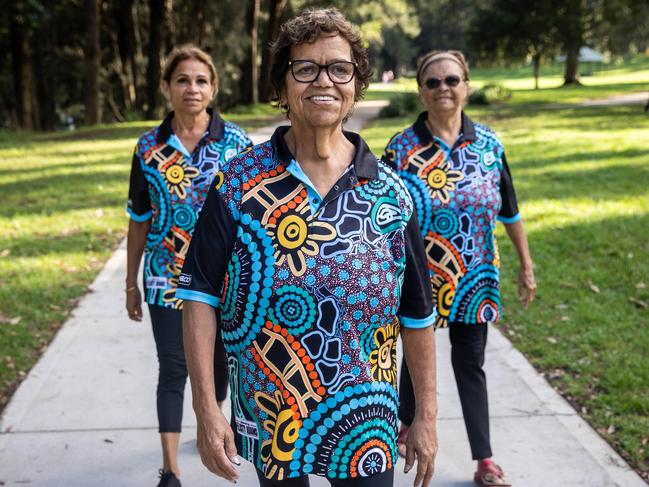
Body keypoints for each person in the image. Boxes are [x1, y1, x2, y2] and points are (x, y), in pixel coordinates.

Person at [177, 8, 439, 487]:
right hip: (274, 415)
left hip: (366, 424)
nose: (325, 81)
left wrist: (426, 415)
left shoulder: (394, 195)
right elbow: (199, 296)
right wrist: (206, 408)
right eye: (306, 69)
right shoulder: (236, 185)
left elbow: (418, 315)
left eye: (340, 69)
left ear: (357, 84)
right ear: (282, 85)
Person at [382, 50, 537, 487]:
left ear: (466, 85)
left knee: (471, 364)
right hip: (417, 278)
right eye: (433, 82)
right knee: (413, 362)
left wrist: (526, 265)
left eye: (452, 79)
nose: (443, 88)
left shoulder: (489, 145)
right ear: (421, 91)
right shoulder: (400, 147)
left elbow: (509, 211)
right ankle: (406, 425)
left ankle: (485, 460)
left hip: (474, 278)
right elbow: (380, 215)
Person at [125, 45, 252, 487]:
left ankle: (211, 418)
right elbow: (139, 219)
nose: (192, 88)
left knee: (218, 370)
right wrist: (130, 284)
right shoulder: (147, 148)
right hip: (165, 280)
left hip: (225, 281)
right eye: (182, 80)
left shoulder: (237, 145)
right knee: (173, 368)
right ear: (166, 87)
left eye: (201, 80)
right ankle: (170, 469)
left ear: (213, 88)